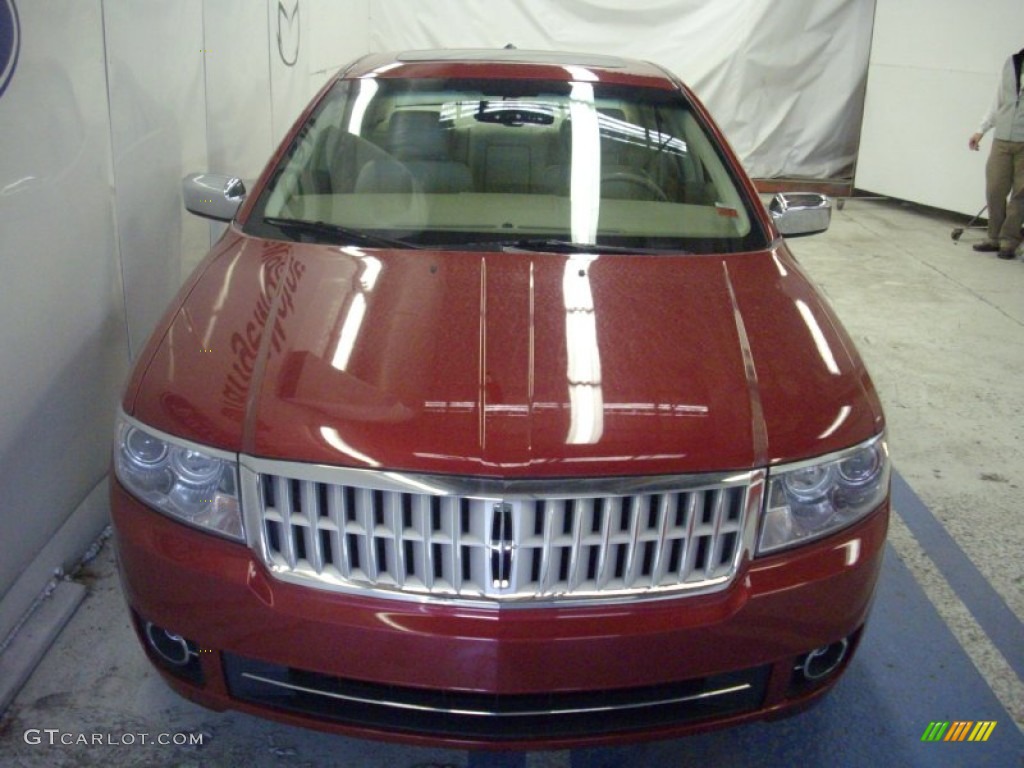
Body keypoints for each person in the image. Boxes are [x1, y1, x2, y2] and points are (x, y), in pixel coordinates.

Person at [969, 47, 1024, 260]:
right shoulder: (1012, 62)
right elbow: (998, 99)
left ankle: (1008, 240)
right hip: (1002, 138)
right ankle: (993, 237)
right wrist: (981, 130)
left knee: (1020, 194)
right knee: (995, 189)